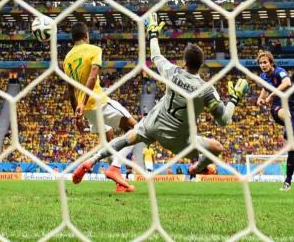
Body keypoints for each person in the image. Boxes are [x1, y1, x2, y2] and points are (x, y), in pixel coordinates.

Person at [71, 15, 248, 185]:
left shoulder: (172, 71)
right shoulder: (206, 90)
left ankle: (91, 161)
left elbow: (155, 55)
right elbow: (224, 120)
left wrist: (153, 33)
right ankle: (197, 168)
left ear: (184, 62)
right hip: (179, 140)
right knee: (216, 147)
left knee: (128, 137)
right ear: (200, 65)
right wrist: (234, 98)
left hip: (153, 124)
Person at [63, 21, 138, 193]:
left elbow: (70, 90)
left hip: (87, 111)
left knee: (110, 135)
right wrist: (82, 103)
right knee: (138, 128)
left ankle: (120, 183)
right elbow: (92, 76)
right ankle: (115, 167)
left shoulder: (67, 59)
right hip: (98, 101)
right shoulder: (94, 50)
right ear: (86, 35)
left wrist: (78, 112)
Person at [256, 51, 294, 191]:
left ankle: (288, 181)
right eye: (260, 63)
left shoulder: (280, 72)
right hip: (278, 104)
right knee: (285, 115)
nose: (263, 65)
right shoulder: (263, 76)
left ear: (271, 63)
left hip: (293, 107)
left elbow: (287, 82)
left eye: (265, 62)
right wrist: (261, 98)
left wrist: (270, 94)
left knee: (292, 147)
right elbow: (264, 88)